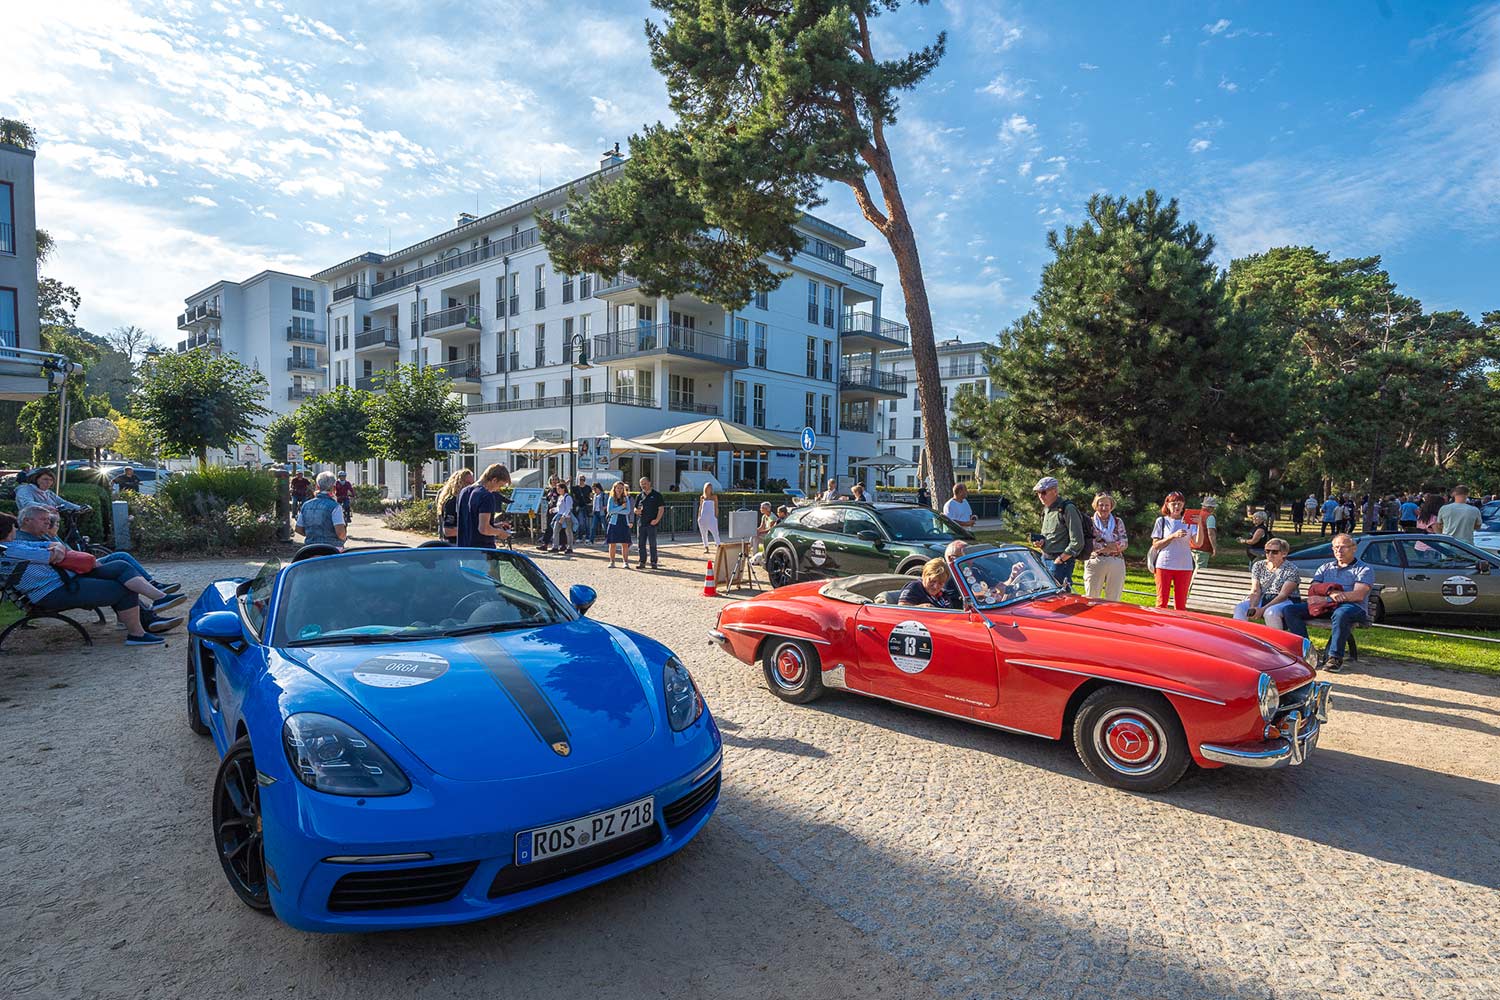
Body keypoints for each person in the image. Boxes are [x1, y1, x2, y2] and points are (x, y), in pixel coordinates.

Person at [5, 509, 182, 643]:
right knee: (122, 587)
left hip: (62, 582)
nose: (15, 530)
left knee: (120, 565)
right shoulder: (11, 549)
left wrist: (55, 549)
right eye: (12, 527)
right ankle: (138, 633)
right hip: (52, 591)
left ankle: (157, 602)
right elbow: (53, 554)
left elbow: (57, 548)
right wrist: (54, 550)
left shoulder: (15, 544)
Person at [1280, 533, 1374, 672]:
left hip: (1352, 608)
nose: (1339, 551)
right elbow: (1313, 588)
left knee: (1341, 613)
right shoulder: (1325, 567)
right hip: (1326, 607)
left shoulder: (1364, 569)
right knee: (1290, 610)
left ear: (1354, 548)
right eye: (1336, 548)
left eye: (1343, 547)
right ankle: (1306, 651)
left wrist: (1327, 598)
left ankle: (1334, 658)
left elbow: (1358, 595)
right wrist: (1330, 592)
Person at [1232, 538, 1300, 630]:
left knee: (1270, 613)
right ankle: (1239, 638)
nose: (1270, 554)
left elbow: (1283, 595)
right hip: (1262, 598)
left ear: (1284, 553)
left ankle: (1276, 642)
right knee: (1240, 608)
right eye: (1267, 551)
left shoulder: (1291, 569)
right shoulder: (1258, 565)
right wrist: (1253, 607)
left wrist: (1262, 610)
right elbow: (1255, 590)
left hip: (1285, 600)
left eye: (1274, 552)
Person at [1033, 476, 1083, 591]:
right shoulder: (1046, 509)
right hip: (1045, 559)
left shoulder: (1068, 508)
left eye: (1044, 492)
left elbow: (1077, 541)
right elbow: (1051, 535)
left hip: (1061, 563)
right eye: (1038, 493)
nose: (1040, 496)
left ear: (1055, 491)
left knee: (1060, 599)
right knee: (1044, 597)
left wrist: (1060, 560)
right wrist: (1041, 542)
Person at [1149, 492, 1197, 610]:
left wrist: (1199, 524)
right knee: (1162, 602)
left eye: (1179, 504)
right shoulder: (1162, 521)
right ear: (1167, 505)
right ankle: (1160, 626)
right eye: (1173, 504)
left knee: (1181, 605)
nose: (1176, 507)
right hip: (1164, 564)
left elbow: (1198, 543)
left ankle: (1179, 627)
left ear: (1183, 505)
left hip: (1184, 566)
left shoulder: (1190, 522)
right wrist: (1172, 536)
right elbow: (1156, 544)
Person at [1083, 492, 1127, 601]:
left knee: (1114, 598)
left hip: (1116, 561)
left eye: (1107, 505)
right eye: (1101, 505)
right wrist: (1108, 545)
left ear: (1111, 506)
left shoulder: (1118, 521)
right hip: (1095, 561)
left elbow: (1124, 542)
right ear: (1096, 506)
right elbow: (1089, 544)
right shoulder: (1089, 522)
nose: (1104, 508)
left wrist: (1106, 546)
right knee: (1092, 597)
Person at [456, 464, 512, 549]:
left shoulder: (464, 492)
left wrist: (496, 525)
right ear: (494, 480)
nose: (498, 489)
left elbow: (472, 522)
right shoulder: (486, 496)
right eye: (500, 485)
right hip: (482, 550)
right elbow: (484, 529)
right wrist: (500, 532)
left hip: (464, 548)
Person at [295, 471, 348, 550]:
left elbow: (298, 529)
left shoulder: (306, 505)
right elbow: (340, 533)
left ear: (317, 486)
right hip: (332, 549)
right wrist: (344, 538)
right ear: (334, 488)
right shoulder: (335, 507)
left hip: (310, 549)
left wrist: (313, 535)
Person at [16, 468, 88, 515]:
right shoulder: (25, 489)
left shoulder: (48, 493)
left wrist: (79, 508)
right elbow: (27, 503)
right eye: (45, 479)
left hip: (49, 525)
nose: (48, 482)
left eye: (51, 480)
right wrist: (47, 507)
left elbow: (63, 502)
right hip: (32, 525)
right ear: (36, 479)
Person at [434, 468, 474, 543]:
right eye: (468, 483)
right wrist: (473, 531)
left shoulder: (466, 500)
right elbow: (448, 531)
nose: (471, 487)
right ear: (459, 483)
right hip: (453, 545)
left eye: (472, 484)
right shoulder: (452, 501)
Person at [634, 476, 664, 569]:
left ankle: (654, 562)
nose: (643, 485)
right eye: (641, 484)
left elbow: (661, 509)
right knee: (641, 544)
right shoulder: (639, 496)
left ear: (649, 483)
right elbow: (635, 508)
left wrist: (657, 520)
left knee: (652, 544)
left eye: (645, 483)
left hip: (652, 523)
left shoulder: (657, 495)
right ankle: (642, 562)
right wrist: (636, 511)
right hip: (641, 523)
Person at [605, 481, 633, 568]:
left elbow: (628, 511)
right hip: (613, 522)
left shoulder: (626, 498)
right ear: (614, 488)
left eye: (621, 488)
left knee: (625, 544)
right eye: (618, 488)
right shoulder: (611, 498)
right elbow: (610, 511)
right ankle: (612, 561)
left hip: (624, 522)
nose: (619, 490)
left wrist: (616, 510)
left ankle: (625, 562)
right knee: (612, 543)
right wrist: (621, 507)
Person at [1192, 496, 1220, 572]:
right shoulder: (1210, 517)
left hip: (1192, 546)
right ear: (1211, 507)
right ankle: (1196, 584)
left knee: (1192, 570)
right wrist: (1214, 548)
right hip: (1203, 547)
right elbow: (1211, 533)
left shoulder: (1196, 514)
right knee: (1200, 571)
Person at [552, 482, 575, 555]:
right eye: (557, 489)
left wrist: (563, 516)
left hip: (566, 517)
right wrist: (553, 509)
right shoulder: (560, 497)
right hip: (559, 515)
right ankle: (555, 547)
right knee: (555, 530)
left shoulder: (568, 497)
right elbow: (560, 508)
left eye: (559, 488)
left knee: (568, 532)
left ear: (563, 489)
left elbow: (568, 508)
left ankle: (570, 547)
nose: (557, 490)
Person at [697, 483, 721, 552]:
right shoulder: (702, 497)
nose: (709, 489)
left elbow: (716, 507)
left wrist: (715, 517)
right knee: (704, 534)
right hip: (703, 518)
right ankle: (706, 547)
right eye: (708, 488)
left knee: (715, 533)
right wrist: (699, 517)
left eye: (710, 488)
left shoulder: (714, 497)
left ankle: (718, 545)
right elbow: (700, 507)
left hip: (711, 518)